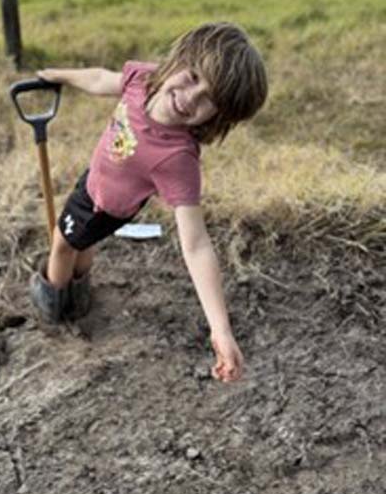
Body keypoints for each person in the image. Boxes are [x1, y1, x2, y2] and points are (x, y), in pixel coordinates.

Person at [30, 22, 268, 383]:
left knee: (62, 243)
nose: (191, 97)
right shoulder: (143, 80)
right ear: (178, 60)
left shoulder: (176, 159)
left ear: (219, 118)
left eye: (209, 101)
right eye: (192, 77)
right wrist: (58, 75)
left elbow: (196, 244)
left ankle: (55, 306)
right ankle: (80, 290)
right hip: (95, 180)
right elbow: (100, 79)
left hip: (106, 205)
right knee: (84, 242)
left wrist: (221, 329)